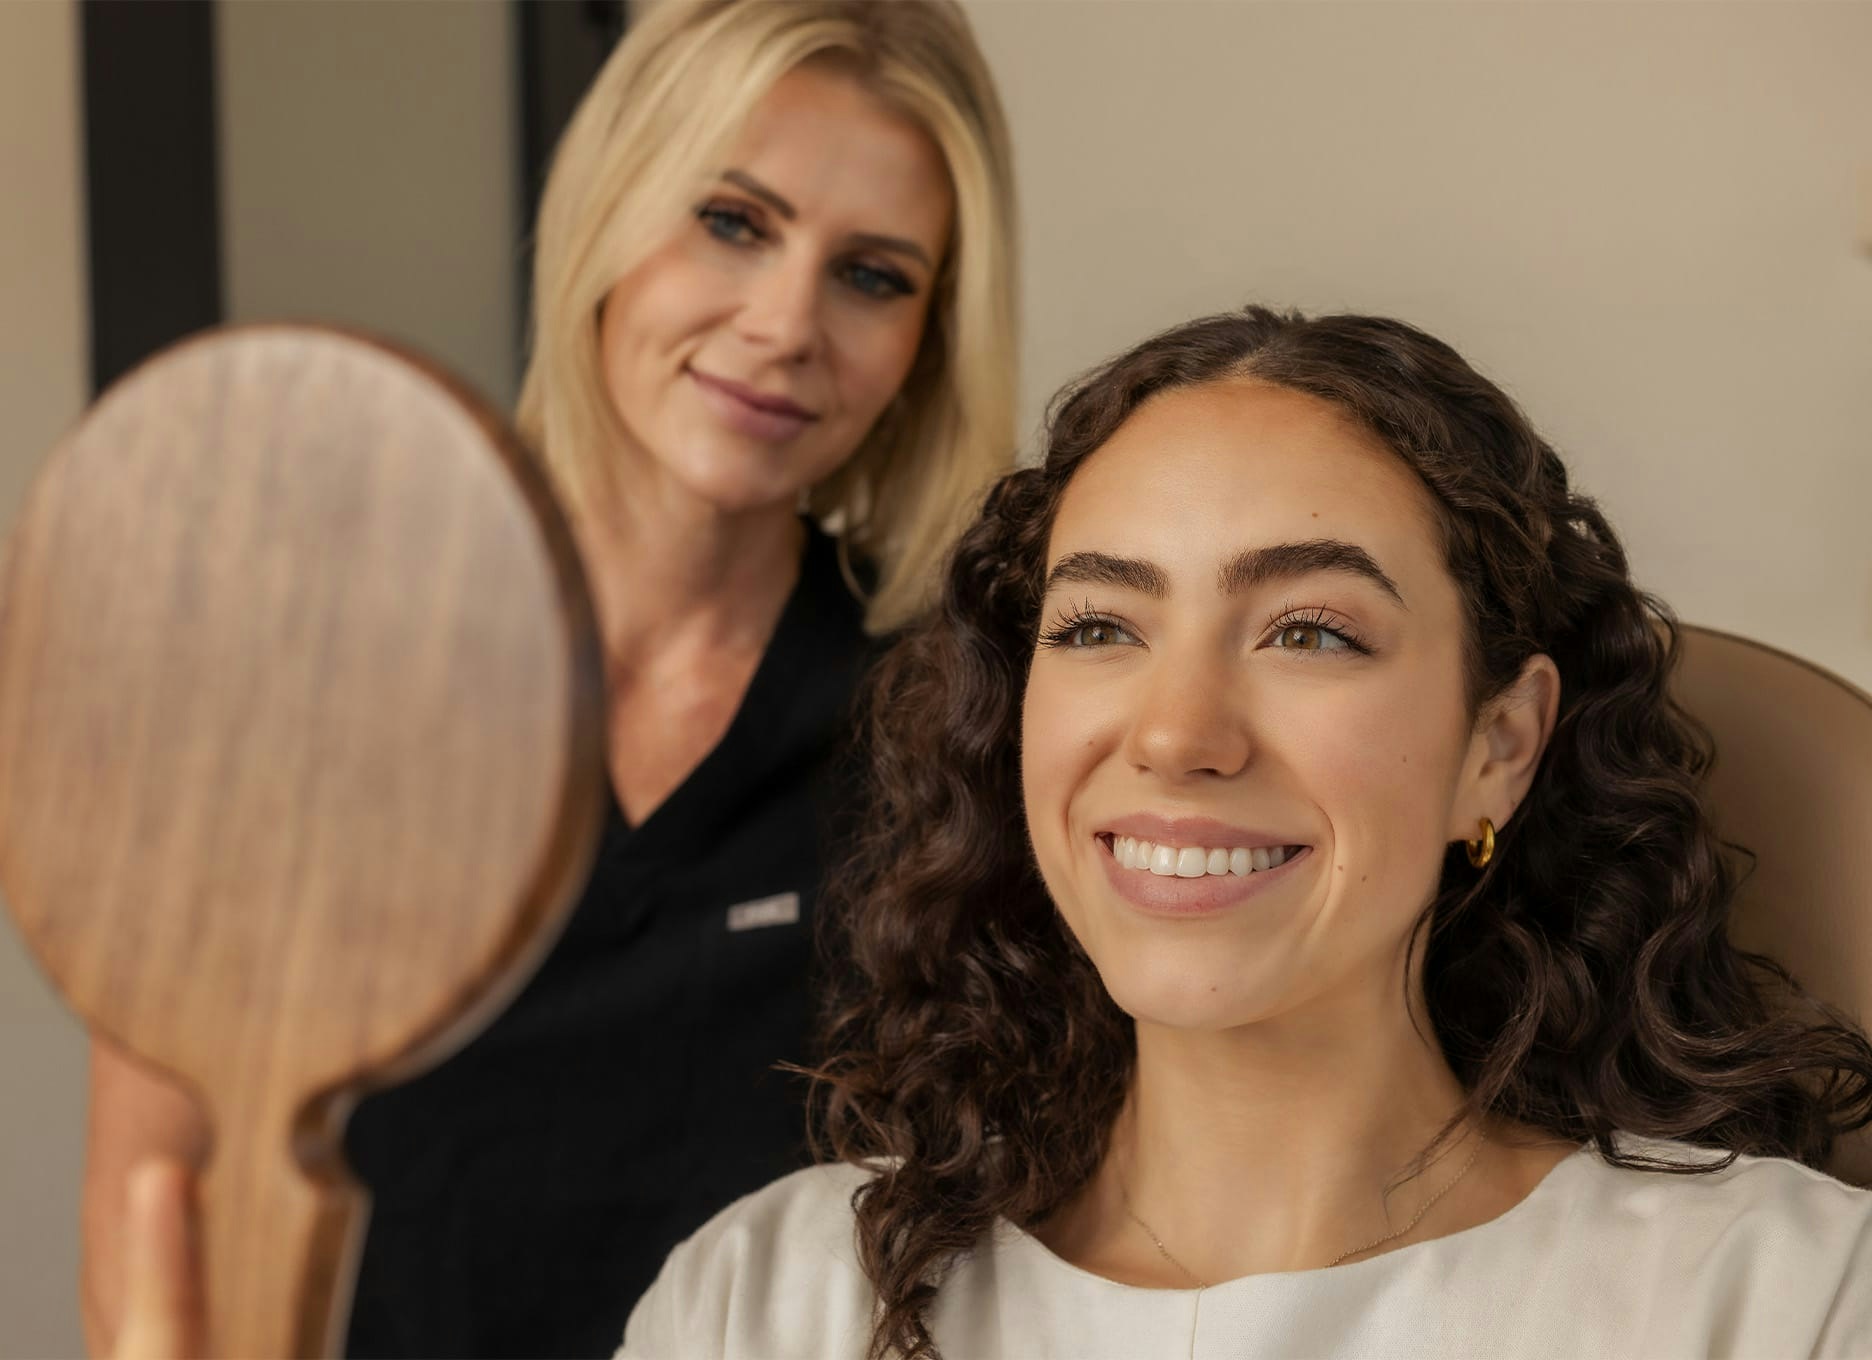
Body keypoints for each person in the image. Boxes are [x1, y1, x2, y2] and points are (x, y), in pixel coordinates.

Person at [614, 306, 1872, 1358]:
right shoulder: (766, 1307)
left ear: (1498, 746)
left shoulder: (1786, 1301)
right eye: (1100, 626)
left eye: (1309, 632)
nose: (1177, 734)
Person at [81, 3, 1018, 1356]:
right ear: (608, 215)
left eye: (872, 276)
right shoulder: (310, 667)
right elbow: (154, 1200)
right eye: (733, 221)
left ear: (927, 340)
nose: (784, 323)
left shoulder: (956, 727)